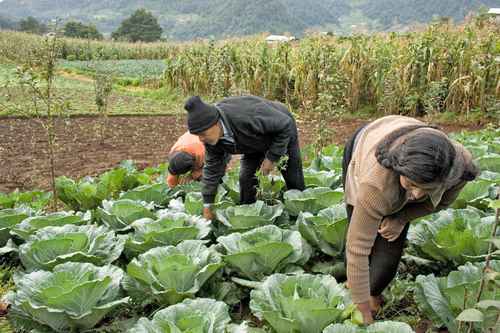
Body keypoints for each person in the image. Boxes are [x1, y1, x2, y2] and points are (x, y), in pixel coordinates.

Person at [342, 115, 479, 324]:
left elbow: (441, 203)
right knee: (359, 230)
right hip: (367, 140)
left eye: (426, 189)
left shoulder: (460, 168)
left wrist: (402, 217)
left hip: (418, 145)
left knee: (390, 249)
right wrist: (362, 310)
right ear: (399, 169)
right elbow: (357, 247)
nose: (415, 195)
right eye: (411, 185)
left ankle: (373, 291)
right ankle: (355, 289)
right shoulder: (375, 183)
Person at [184, 95, 305, 220]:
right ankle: (249, 217)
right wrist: (207, 206)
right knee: (246, 179)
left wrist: (271, 158)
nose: (201, 139)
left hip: (280, 129)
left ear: (216, 123)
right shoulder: (211, 141)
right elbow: (212, 170)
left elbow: (286, 124)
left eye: (203, 134)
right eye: (197, 135)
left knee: (293, 177)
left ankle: (300, 217)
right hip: (252, 142)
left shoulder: (245, 117)